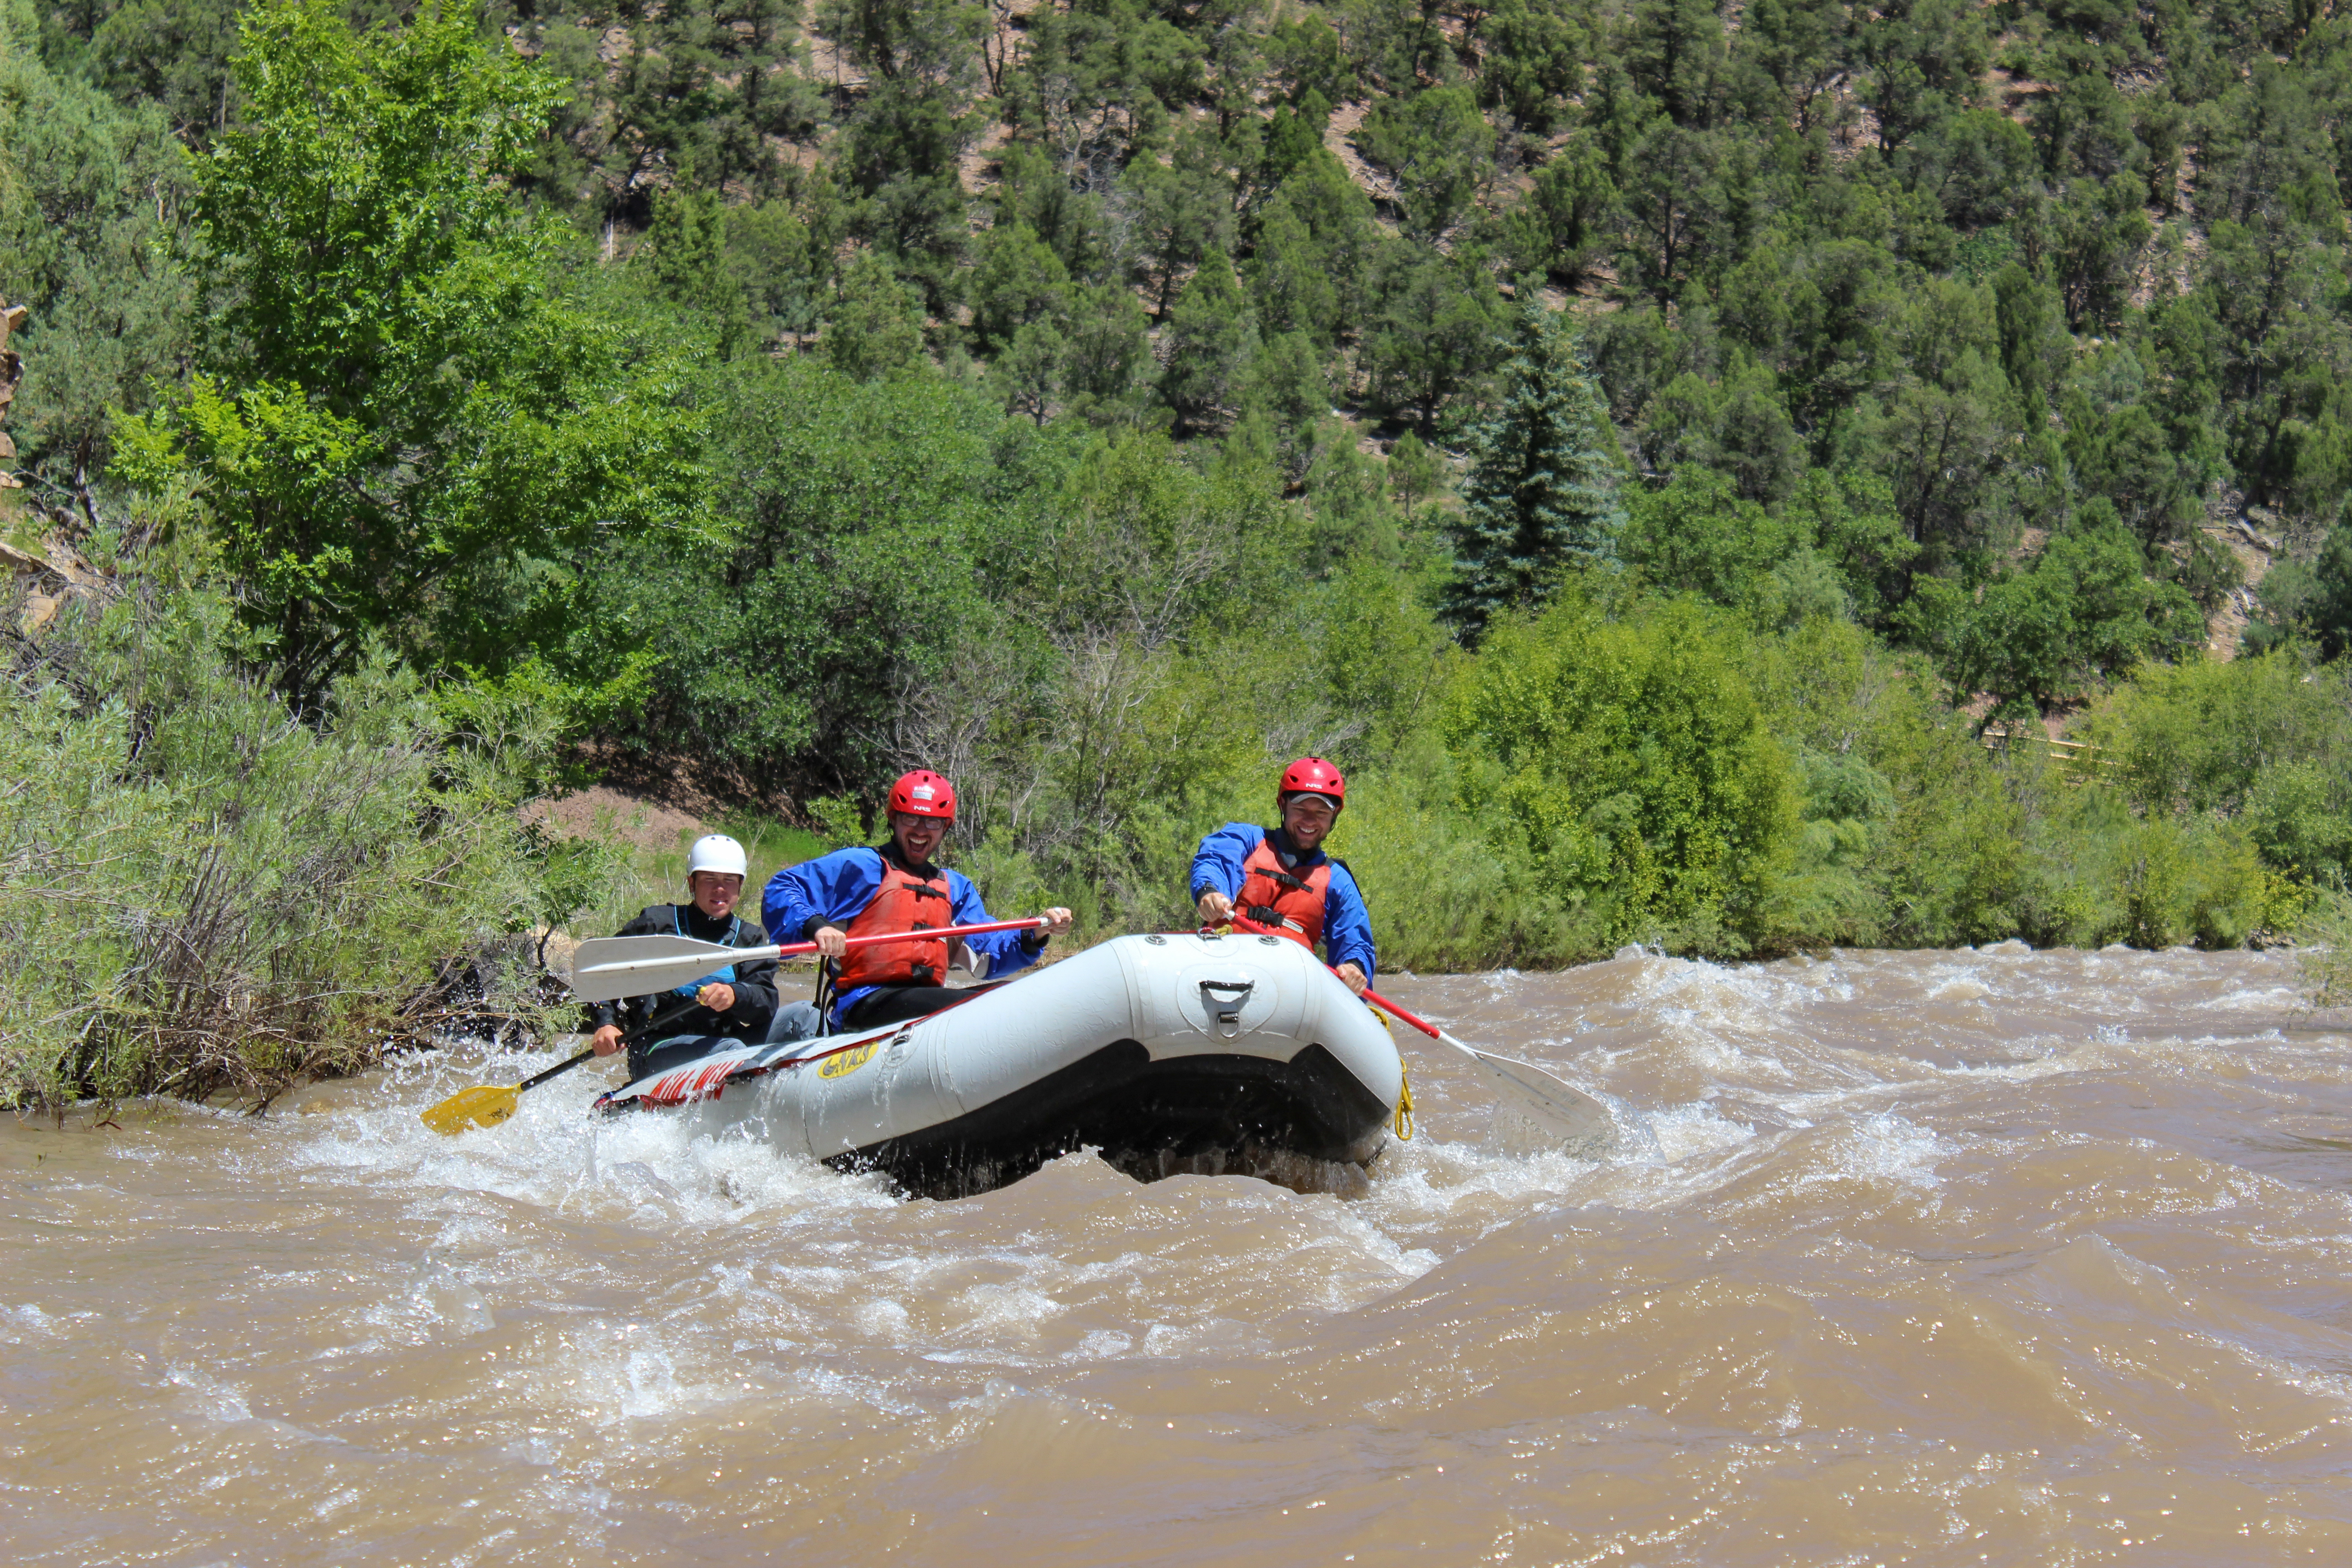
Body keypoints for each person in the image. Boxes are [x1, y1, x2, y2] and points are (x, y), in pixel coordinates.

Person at [762, 769, 1073, 1031]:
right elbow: (783, 888)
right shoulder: (861, 866)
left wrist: (1036, 934)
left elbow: (989, 947)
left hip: (923, 1002)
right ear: (894, 819)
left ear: (945, 828)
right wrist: (816, 926)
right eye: (911, 819)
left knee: (1011, 995)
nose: (921, 831)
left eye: (933, 823)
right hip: (866, 1003)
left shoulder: (956, 888)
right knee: (968, 1008)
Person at [587, 833, 785, 1079]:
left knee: (806, 1016)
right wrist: (605, 1022)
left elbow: (766, 1004)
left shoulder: (750, 939)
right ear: (692, 884)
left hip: (726, 1041)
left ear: (740, 887)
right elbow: (599, 967)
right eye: (709, 879)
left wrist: (736, 995)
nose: (720, 888)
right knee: (731, 1052)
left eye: (729, 880)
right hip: (656, 1047)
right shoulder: (657, 924)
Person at [1191, 757, 1376, 995]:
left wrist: (1355, 967)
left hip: (1289, 990)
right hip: (1221, 967)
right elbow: (1216, 859)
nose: (1309, 821)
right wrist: (1209, 891)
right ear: (1283, 805)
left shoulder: (1338, 881)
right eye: (1300, 809)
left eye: (1320, 813)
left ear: (1334, 817)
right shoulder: (1247, 839)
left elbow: (1355, 939)